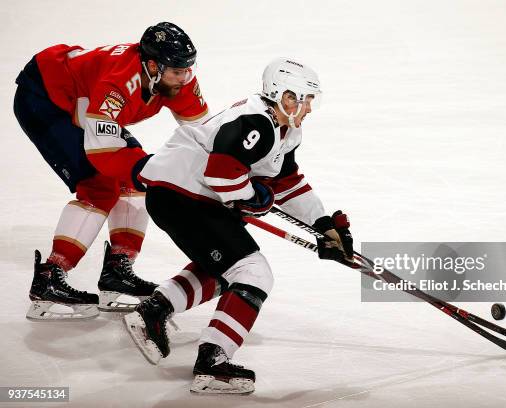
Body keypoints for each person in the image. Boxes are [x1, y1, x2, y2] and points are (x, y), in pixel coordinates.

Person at [124, 57, 354, 394]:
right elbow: (220, 174)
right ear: (287, 97)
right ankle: (211, 363)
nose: (309, 109)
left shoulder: (282, 128)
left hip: (185, 196)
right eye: (306, 100)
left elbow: (286, 183)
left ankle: (153, 312)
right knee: (252, 272)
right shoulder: (255, 122)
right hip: (183, 197)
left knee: (231, 269)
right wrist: (251, 197)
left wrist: (323, 224)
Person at [13, 22, 210, 320]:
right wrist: (150, 170)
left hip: (84, 104)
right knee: (101, 187)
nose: (184, 78)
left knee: (134, 183)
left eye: (187, 69)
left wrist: (226, 178)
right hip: (45, 98)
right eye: (177, 71)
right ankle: (50, 276)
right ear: (153, 66)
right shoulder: (119, 82)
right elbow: (102, 150)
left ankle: (118, 271)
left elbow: (206, 136)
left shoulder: (175, 80)